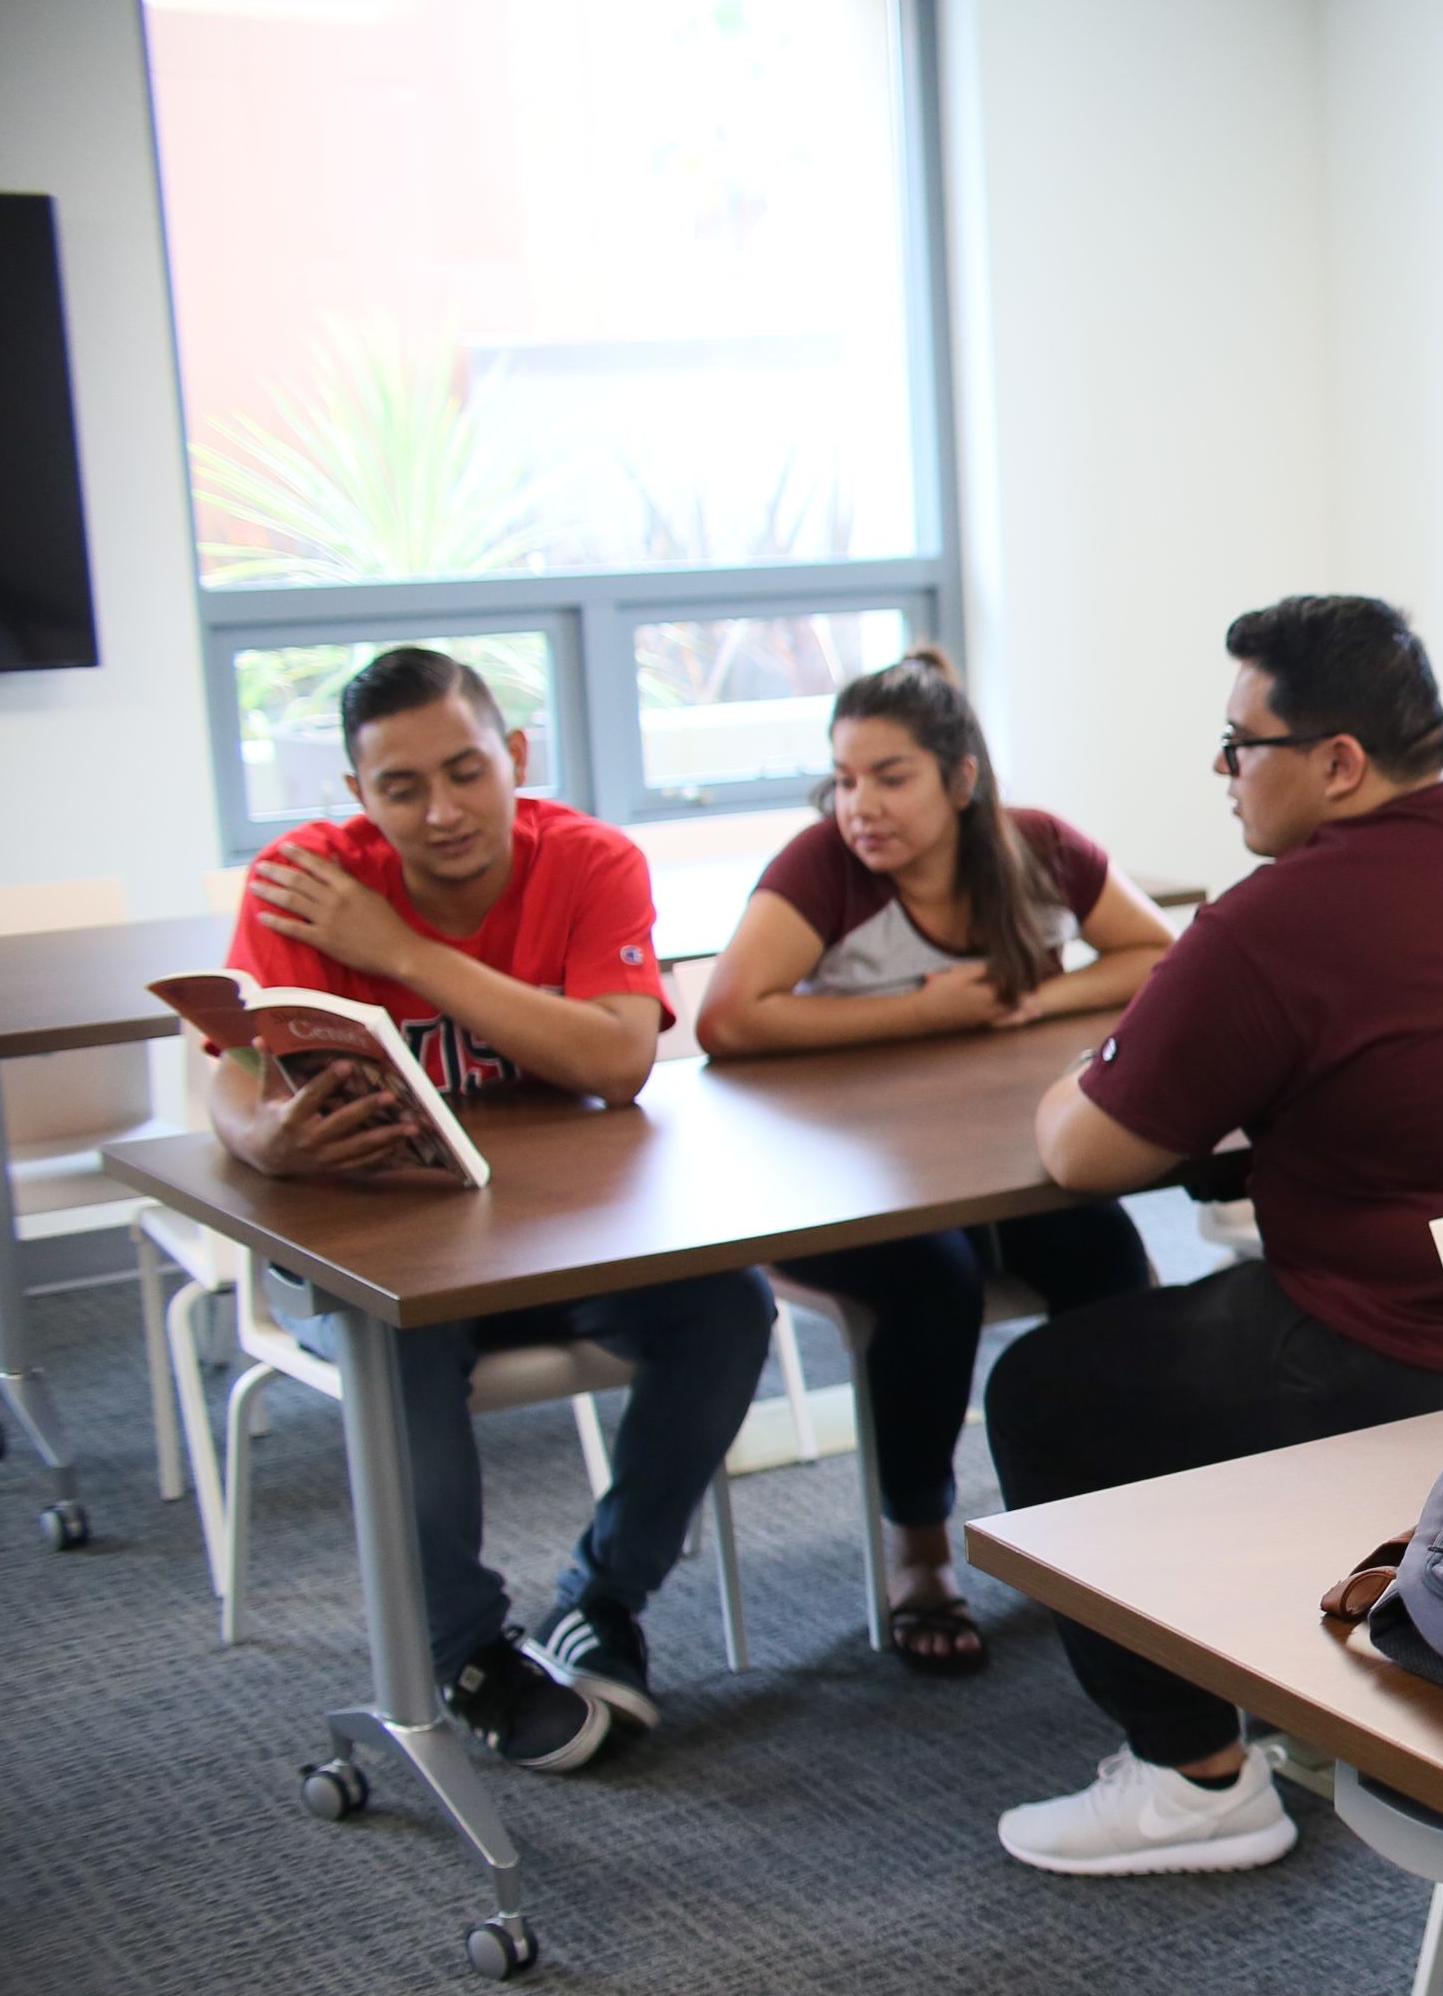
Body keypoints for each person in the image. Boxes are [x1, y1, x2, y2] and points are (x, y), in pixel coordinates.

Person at [983, 595, 1443, 1874]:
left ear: (1336, 761)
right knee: (1160, 1331)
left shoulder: (1277, 915)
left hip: (1393, 1343)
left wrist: (1089, 1067)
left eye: (1241, 744)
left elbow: (1084, 1149)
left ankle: (1194, 1777)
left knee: (1050, 1389)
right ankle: (1277, 1663)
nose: (1220, 771)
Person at [205, 646, 772, 1771]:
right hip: (380, 1243)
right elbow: (227, 1071)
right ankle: (469, 1653)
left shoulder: (588, 860)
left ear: (516, 755)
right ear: (360, 797)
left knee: (728, 1310)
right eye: (401, 787)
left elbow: (616, 1057)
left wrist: (400, 952)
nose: (442, 809)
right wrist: (260, 1133)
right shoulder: (301, 879)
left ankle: (602, 1600)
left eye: (466, 770)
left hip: (552, 1235)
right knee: (400, 1341)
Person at [692, 646, 1175, 1673]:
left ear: (961, 780)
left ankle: (1115, 1511)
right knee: (932, 1283)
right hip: (841, 1186)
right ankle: (919, 1545)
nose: (859, 804)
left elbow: (1156, 952)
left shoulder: (1035, 847)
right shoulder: (818, 866)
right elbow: (728, 1018)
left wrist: (1031, 996)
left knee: (1105, 1255)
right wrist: (919, 1011)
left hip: (998, 1160)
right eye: (845, 777)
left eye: (890, 776)